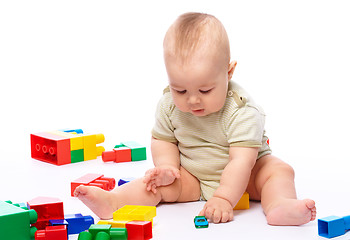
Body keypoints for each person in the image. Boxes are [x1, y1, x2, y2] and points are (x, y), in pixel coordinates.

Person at [75, 12, 316, 226]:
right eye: (180, 90)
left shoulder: (242, 111)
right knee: (155, 184)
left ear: (228, 72)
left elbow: (241, 162)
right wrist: (168, 167)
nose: (192, 101)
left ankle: (278, 205)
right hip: (193, 176)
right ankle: (115, 202)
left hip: (248, 176)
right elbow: (163, 139)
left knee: (279, 171)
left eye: (205, 91)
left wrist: (223, 198)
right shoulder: (169, 104)